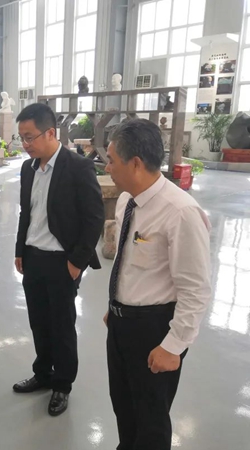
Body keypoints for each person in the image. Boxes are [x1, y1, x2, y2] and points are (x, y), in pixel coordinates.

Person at [104, 119, 211, 450]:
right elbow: (129, 262)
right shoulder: (127, 200)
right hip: (120, 324)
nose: (107, 167)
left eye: (111, 160)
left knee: (151, 420)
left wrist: (174, 345)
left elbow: (195, 289)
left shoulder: (180, 212)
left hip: (154, 330)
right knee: (124, 408)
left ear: (135, 163)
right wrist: (116, 306)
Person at [13, 103, 104, 416]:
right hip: (33, 257)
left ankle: (62, 384)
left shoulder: (77, 167)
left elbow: (94, 218)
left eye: (29, 137)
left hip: (62, 260)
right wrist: (20, 250)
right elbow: (26, 212)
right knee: (39, 321)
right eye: (21, 138)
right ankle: (43, 373)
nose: (25, 144)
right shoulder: (28, 169)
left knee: (62, 325)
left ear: (50, 133)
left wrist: (77, 262)